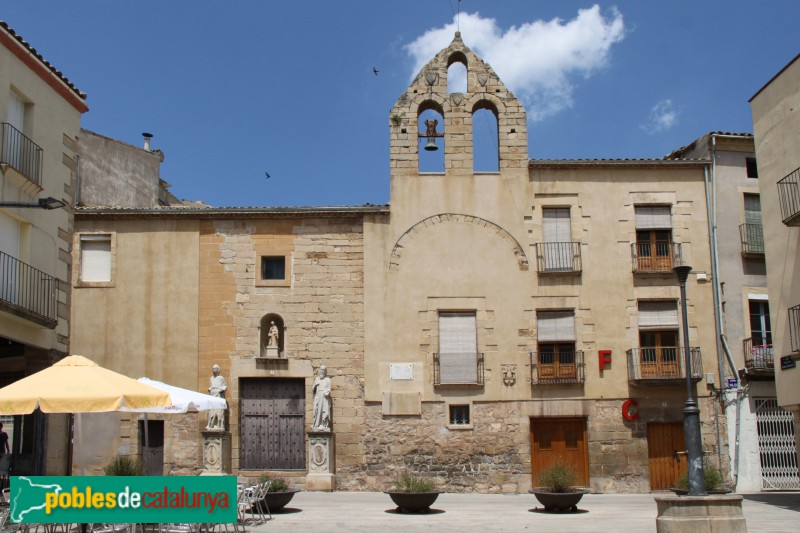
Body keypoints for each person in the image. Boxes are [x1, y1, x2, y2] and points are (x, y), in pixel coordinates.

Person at [311, 366, 332, 432]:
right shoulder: (317, 379)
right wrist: (315, 385)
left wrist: (327, 392)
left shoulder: (328, 379)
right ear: (319, 371)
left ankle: (323, 425)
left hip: (324, 397)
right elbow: (313, 389)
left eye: (323, 370)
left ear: (325, 371)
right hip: (318, 396)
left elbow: (329, 388)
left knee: (324, 410)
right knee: (317, 410)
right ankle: (316, 425)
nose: (322, 371)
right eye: (321, 370)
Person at [207, 365, 228, 430]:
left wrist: (222, 389)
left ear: (218, 369)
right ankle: (211, 424)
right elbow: (211, 386)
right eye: (213, 369)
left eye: (215, 369)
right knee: (212, 410)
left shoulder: (221, 378)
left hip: (218, 395)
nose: (214, 370)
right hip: (212, 395)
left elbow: (225, 386)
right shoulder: (211, 378)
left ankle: (219, 424)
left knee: (219, 410)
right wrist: (210, 389)